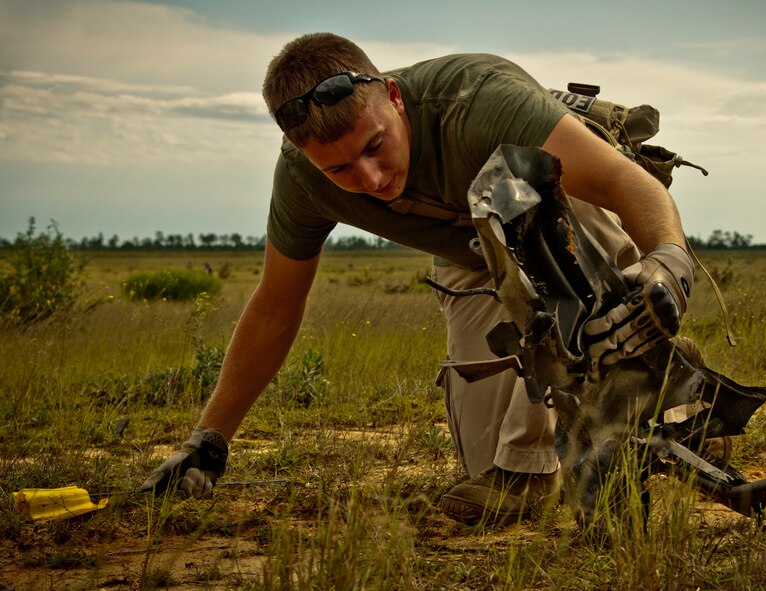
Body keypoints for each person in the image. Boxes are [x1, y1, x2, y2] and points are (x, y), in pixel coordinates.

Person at [140, 32, 694, 527]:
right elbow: (274, 308)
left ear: (396, 99)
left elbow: (628, 183)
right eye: (339, 170)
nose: (371, 179)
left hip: (561, 208)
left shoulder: (478, 100)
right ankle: (532, 469)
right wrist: (207, 442)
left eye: (375, 146)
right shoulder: (301, 180)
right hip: (472, 252)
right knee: (488, 465)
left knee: (555, 295)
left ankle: (650, 381)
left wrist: (666, 262)